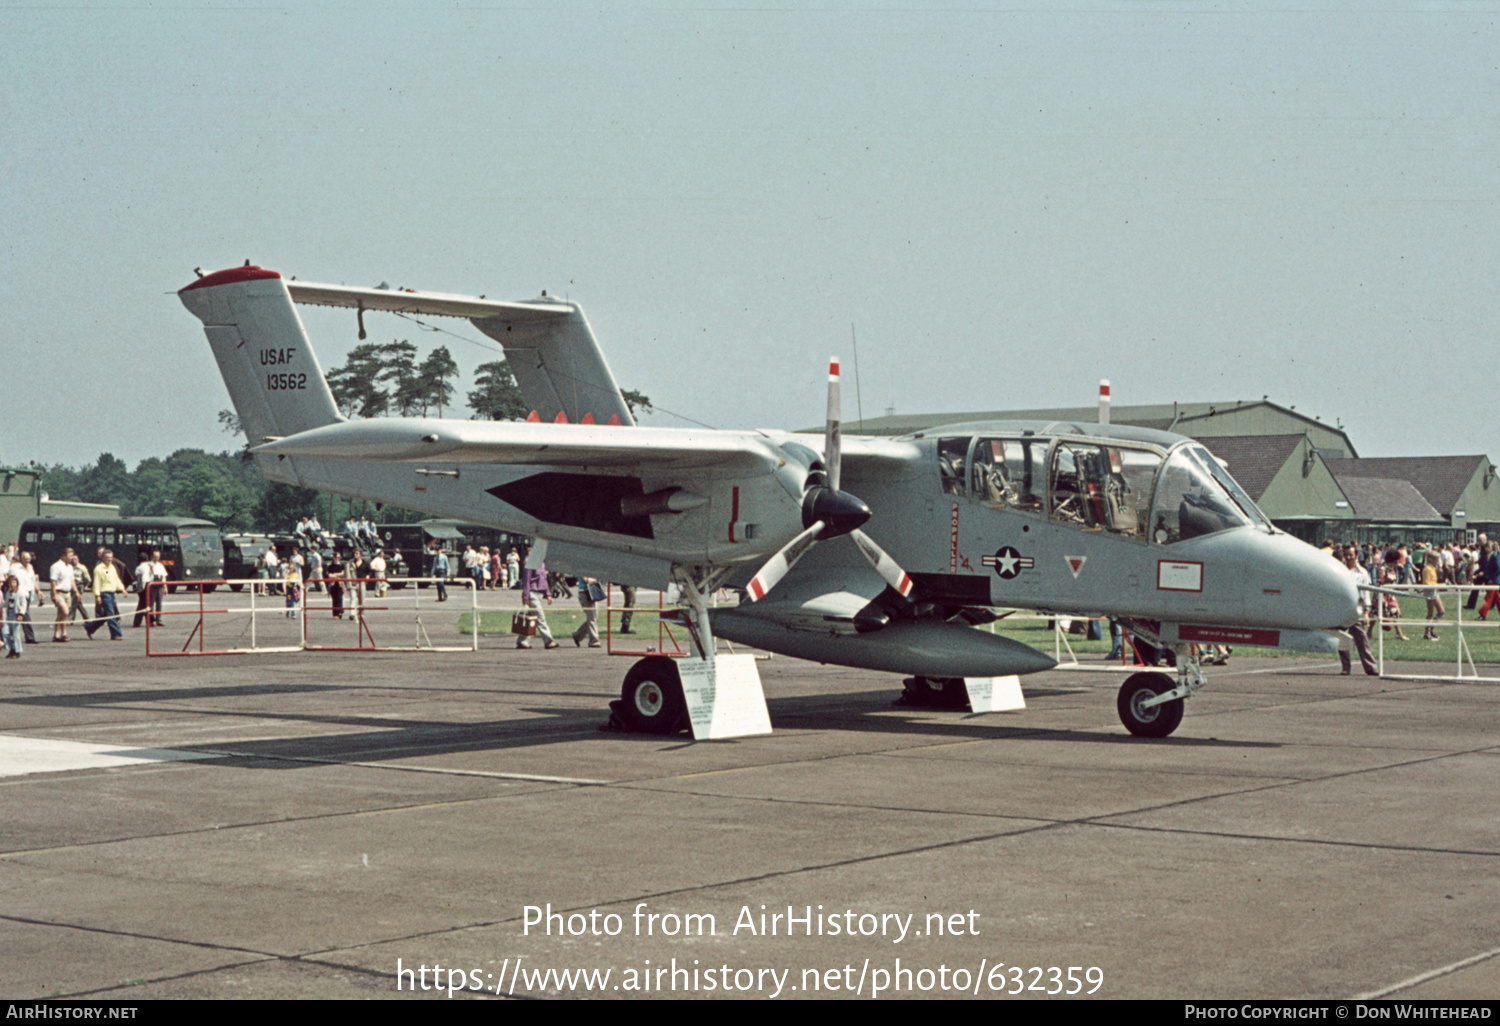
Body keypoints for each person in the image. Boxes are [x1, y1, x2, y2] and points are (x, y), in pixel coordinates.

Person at [1339, 546, 1379, 676]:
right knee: (1342, 638)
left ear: (1356, 555)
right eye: (1346, 555)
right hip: (1341, 609)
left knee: (1362, 639)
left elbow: (1365, 593)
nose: (1348, 557)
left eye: (1351, 554)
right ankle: (1346, 667)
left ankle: (1370, 667)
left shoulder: (1362, 572)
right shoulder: (1340, 570)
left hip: (1356, 609)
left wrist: (1366, 611)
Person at [518, 560, 558, 649]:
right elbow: (526, 582)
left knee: (530, 618)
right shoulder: (530, 563)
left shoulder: (543, 564)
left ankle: (522, 641)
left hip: (540, 595)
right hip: (532, 594)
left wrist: (548, 594)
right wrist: (526, 596)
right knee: (540, 618)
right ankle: (548, 641)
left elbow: (544, 580)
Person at [87, 549, 126, 640]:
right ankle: (116, 634)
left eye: (111, 557)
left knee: (106, 615)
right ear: (102, 558)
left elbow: (116, 580)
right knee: (111, 614)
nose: (109, 559)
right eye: (107, 557)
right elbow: (96, 583)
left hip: (111, 594)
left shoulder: (112, 567)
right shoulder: (99, 569)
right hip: (104, 594)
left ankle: (90, 627)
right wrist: (97, 595)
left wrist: (123, 589)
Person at [49, 548, 82, 642]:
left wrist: (76, 592)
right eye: (70, 556)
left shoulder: (70, 567)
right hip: (59, 592)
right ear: (64, 556)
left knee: (62, 614)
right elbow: (53, 581)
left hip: (68, 593)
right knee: (66, 612)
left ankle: (60, 634)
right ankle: (58, 633)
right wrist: (54, 595)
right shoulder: (56, 566)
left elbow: (72, 581)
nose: (72, 558)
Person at [8, 551, 41, 645]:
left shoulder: (30, 567)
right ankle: (30, 637)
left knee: (21, 615)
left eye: (29, 559)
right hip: (20, 594)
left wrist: (38, 591)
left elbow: (33, 581)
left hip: (29, 593)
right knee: (25, 614)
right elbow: (10, 580)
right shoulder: (15, 568)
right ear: (20, 558)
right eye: (25, 558)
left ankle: (14, 636)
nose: (27, 560)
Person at [133, 549, 168, 628]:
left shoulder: (160, 565)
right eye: (155, 556)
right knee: (150, 604)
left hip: (160, 585)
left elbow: (164, 576)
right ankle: (150, 621)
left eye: (158, 557)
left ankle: (158, 620)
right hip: (151, 586)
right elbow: (145, 575)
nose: (156, 558)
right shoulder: (148, 565)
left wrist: (165, 587)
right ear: (151, 556)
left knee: (159, 603)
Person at [573, 576, 602, 648]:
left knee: (594, 618)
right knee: (592, 618)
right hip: (584, 593)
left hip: (593, 592)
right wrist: (595, 579)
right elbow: (587, 580)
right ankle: (594, 641)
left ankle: (577, 635)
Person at [1421, 550, 1444, 641]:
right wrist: (1438, 585)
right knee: (1431, 613)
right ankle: (1427, 633)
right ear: (1431, 559)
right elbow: (1426, 582)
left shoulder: (1433, 568)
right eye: (1436, 559)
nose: (1437, 561)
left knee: (1441, 611)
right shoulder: (1427, 569)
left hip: (1434, 592)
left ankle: (1431, 630)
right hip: (1429, 592)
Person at [2, 574, 22, 658]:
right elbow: (5, 604)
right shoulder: (8, 593)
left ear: (17, 583)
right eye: (10, 583)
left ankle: (17, 651)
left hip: (16, 614)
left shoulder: (20, 593)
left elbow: (23, 605)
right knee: (5, 632)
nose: (12, 584)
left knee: (15, 633)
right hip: (9, 614)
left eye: (14, 582)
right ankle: (11, 648)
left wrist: (20, 614)